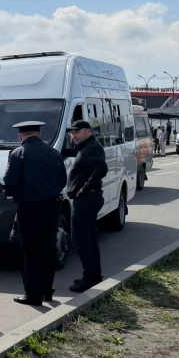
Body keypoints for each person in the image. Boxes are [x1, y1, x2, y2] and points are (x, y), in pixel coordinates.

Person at [2, 120, 67, 306]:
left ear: (20, 136)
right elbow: (62, 180)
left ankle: (33, 294)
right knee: (48, 247)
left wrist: (15, 194)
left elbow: (10, 183)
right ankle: (47, 290)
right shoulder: (54, 153)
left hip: (30, 208)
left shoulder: (18, 153)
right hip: (52, 206)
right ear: (39, 134)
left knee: (31, 251)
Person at [66, 119, 108, 293]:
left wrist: (85, 187)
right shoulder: (85, 147)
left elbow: (101, 169)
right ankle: (93, 275)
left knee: (80, 239)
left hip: (87, 199)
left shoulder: (92, 147)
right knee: (88, 239)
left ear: (89, 131)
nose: (73, 136)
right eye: (72, 133)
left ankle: (90, 278)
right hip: (88, 198)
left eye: (77, 132)